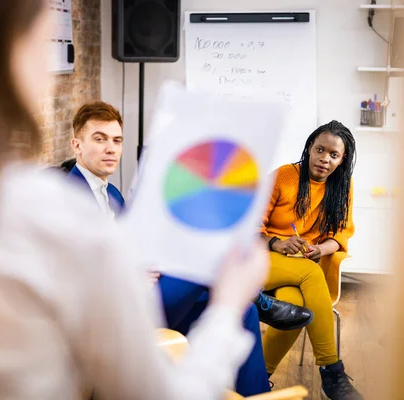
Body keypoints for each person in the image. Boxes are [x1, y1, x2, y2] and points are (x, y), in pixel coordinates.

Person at [0, 1, 271, 399]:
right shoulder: (50, 215)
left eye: (117, 141)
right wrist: (229, 302)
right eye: (48, 35)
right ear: (14, 53)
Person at [66, 100, 313, 396]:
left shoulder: (113, 194)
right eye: (100, 139)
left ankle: (255, 391)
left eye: (117, 140)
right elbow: (69, 278)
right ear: (76, 145)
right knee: (204, 258)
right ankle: (261, 300)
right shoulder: (68, 199)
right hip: (118, 315)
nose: (111, 148)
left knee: (243, 312)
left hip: (144, 294)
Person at [260, 120, 363, 400]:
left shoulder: (342, 187)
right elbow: (249, 226)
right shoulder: (283, 176)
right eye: (320, 150)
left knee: (295, 306)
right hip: (260, 260)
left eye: (334, 155)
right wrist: (277, 243)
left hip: (301, 267)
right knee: (310, 273)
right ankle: (332, 371)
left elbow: (342, 233)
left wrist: (322, 249)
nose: (324, 159)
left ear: (342, 161)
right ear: (309, 148)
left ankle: (257, 379)